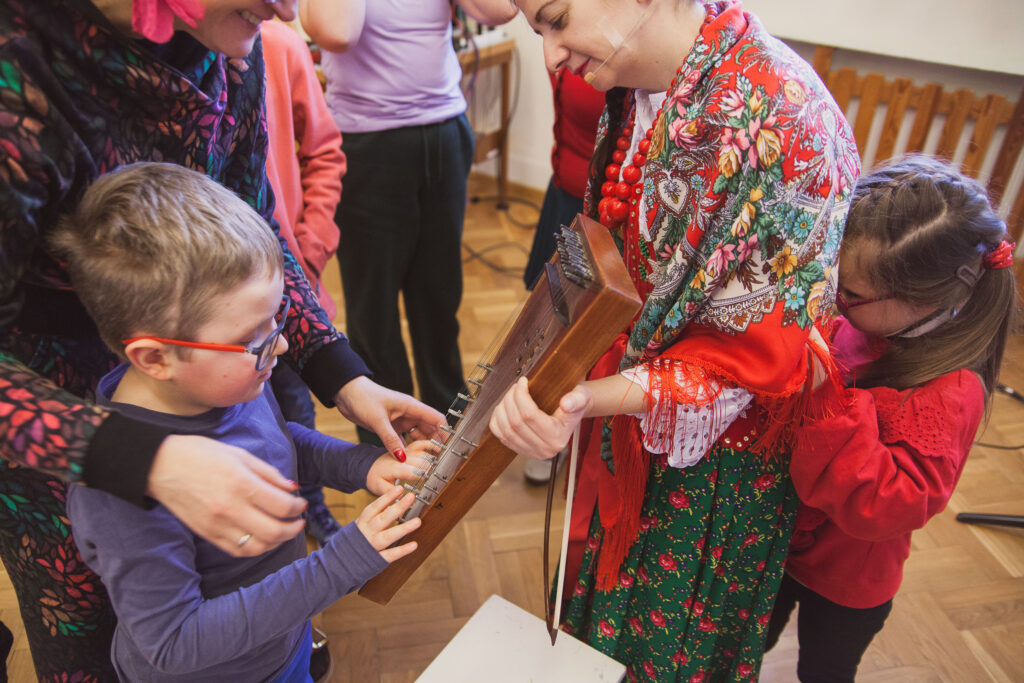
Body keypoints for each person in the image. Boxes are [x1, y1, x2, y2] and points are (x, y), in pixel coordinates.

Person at [0, 0, 443, 678]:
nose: (289, 11)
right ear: (152, 356)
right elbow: (172, 641)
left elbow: (255, 238)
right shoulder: (18, 69)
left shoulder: (232, 371)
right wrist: (142, 460)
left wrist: (344, 379)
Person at [488, 0, 860, 679]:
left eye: (557, 18)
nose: (551, 55)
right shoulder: (641, 86)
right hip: (635, 413)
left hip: (715, 468)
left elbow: (748, 362)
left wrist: (582, 397)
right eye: (536, 30)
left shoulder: (784, 118)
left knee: (663, 650)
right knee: (601, 631)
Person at [56, 161, 433, 682]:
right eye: (253, 337)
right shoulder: (118, 493)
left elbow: (276, 443)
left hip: (282, 646)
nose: (281, 344)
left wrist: (361, 466)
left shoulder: (226, 382)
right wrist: (340, 563)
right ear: (155, 358)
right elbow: (174, 642)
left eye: (277, 318)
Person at [762, 155, 1017, 682]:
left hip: (847, 584)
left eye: (851, 293)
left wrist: (827, 397)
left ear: (919, 300)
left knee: (824, 671)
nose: (837, 297)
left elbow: (887, 503)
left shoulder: (951, 393)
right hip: (782, 542)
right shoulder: (870, 318)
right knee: (753, 637)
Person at [300, 0, 517, 444]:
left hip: (445, 130)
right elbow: (336, 32)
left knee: (439, 299)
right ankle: (389, 447)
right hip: (367, 140)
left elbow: (500, 11)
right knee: (374, 311)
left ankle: (448, 433)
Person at [261, 18, 346, 545]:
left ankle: (310, 504)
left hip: (287, 293)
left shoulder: (279, 44)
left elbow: (324, 152)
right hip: (198, 318)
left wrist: (308, 251)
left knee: (295, 408)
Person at [522, 67, 605, 485]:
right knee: (549, 319)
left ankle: (573, 427)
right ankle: (546, 422)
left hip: (604, 207)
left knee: (585, 328)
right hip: (565, 192)